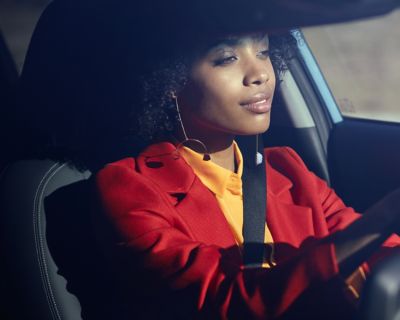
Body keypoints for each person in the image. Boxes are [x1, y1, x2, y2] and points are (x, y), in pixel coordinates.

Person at [19, 1, 400, 319]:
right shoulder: (129, 188)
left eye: (264, 51)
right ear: (168, 79)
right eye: (226, 58)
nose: (259, 74)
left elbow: (378, 251)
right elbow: (222, 300)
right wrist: (384, 214)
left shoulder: (288, 169)